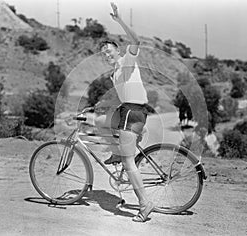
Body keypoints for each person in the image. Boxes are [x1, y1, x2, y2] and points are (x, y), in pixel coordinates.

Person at [94, 2, 154, 222]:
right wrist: (99, 105)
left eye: (109, 51)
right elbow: (120, 97)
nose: (106, 55)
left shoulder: (127, 60)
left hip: (134, 112)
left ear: (117, 51)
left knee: (129, 163)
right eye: (103, 54)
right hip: (128, 109)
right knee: (99, 119)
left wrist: (119, 20)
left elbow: (136, 41)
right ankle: (118, 151)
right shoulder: (115, 73)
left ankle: (145, 204)